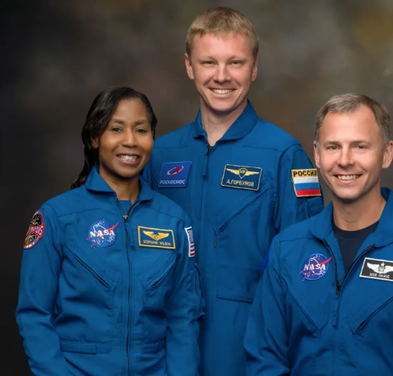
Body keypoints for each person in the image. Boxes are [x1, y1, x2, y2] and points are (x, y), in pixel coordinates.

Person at [144, 7, 324, 376]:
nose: (221, 76)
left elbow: (309, 269)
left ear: (254, 67)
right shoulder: (158, 156)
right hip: (161, 352)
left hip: (249, 354)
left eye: (236, 63)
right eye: (208, 62)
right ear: (189, 66)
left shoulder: (286, 155)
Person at [245, 93, 393, 375]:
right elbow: (265, 361)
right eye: (333, 147)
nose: (345, 160)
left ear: (386, 154)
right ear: (317, 154)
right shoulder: (286, 250)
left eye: (360, 146)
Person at [16, 87, 203, 376]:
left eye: (141, 130)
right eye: (116, 129)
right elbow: (34, 315)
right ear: (94, 138)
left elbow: (182, 318)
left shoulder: (173, 220)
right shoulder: (56, 217)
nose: (130, 141)